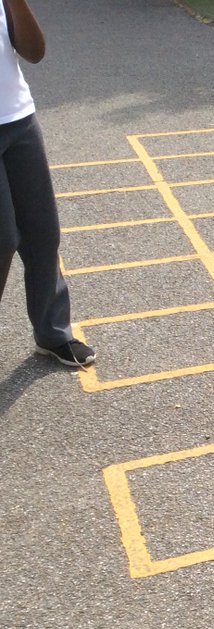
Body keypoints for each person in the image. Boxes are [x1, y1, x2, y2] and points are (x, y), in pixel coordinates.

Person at [0, 0, 94, 367]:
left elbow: (35, 53)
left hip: (19, 120)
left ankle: (52, 332)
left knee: (43, 230)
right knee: (3, 239)